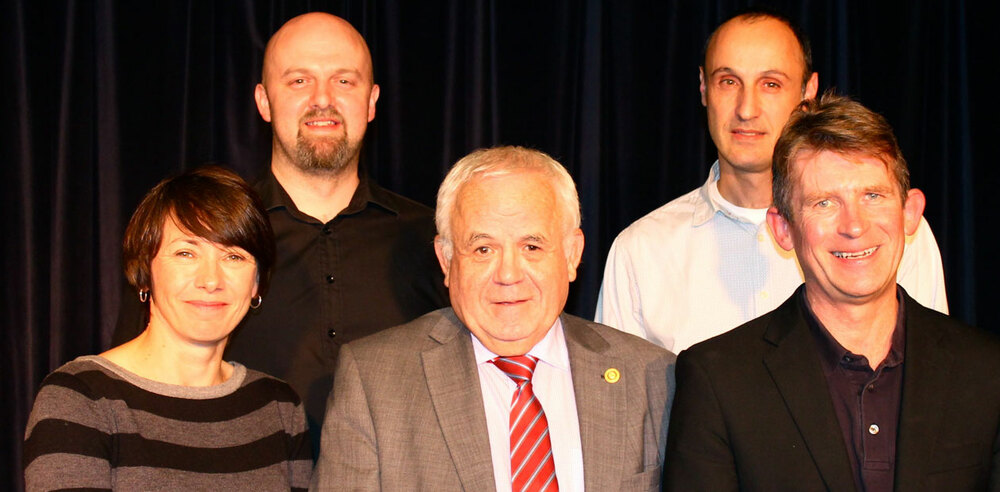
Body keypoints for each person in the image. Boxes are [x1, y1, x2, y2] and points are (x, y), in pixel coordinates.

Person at [112, 12, 449, 449]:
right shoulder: (201, 241)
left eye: (344, 81)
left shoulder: (435, 241)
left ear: (372, 100)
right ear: (264, 101)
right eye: (299, 81)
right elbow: (135, 387)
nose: (322, 99)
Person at [663, 93, 1000, 491]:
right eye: (824, 203)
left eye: (872, 196)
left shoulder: (986, 370)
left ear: (909, 213)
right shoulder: (717, 381)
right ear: (783, 229)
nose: (854, 226)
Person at [311, 146, 675, 491]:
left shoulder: (651, 377)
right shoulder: (375, 382)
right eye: (483, 249)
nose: (508, 274)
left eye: (531, 247)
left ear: (571, 254)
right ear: (447, 261)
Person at [595, 9, 948, 353]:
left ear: (809, 91)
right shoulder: (641, 251)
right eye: (729, 81)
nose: (746, 109)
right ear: (703, 87)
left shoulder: (889, 237)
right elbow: (618, 406)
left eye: (771, 84)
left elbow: (929, 382)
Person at [24, 166, 312, 490]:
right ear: (145, 270)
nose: (210, 280)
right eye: (186, 253)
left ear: (257, 282)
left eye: (233, 257)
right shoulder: (81, 399)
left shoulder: (279, 407)